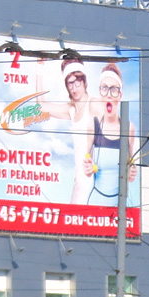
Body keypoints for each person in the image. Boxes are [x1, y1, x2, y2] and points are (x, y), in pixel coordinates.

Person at [41, 59, 96, 204]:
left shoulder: (95, 104)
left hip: (94, 176)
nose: (74, 87)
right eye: (70, 83)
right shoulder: (71, 109)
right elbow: (41, 106)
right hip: (79, 177)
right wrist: (39, 68)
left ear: (84, 82)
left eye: (77, 82)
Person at [84, 64, 137, 207]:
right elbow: (87, 163)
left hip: (122, 206)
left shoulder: (129, 128)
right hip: (96, 205)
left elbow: (132, 167)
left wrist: (132, 171)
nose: (108, 94)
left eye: (114, 89)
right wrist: (87, 166)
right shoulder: (93, 125)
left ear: (120, 95)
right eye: (104, 88)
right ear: (100, 93)